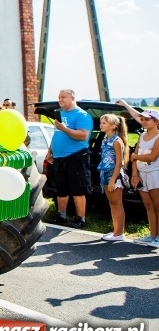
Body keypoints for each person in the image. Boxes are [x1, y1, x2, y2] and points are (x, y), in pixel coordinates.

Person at [46, 89, 93, 229]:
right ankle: (61, 215)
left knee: (78, 189)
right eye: (59, 97)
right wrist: (50, 150)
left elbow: (83, 135)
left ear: (72, 98)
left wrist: (64, 129)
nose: (60, 99)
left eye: (63, 97)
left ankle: (80, 218)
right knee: (61, 189)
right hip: (59, 158)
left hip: (76, 156)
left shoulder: (81, 115)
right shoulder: (60, 114)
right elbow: (57, 134)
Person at [116, 100, 159, 245]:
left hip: (155, 174)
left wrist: (136, 157)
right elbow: (134, 156)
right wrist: (135, 174)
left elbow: (152, 157)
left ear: (156, 121)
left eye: (147, 119)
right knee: (148, 205)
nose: (144, 121)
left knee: (157, 206)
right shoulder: (142, 136)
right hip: (141, 173)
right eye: (143, 119)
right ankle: (152, 235)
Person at [97, 114, 129, 241]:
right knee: (112, 203)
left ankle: (120, 233)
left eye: (104, 123)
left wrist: (113, 180)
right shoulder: (105, 140)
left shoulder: (117, 141)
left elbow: (119, 162)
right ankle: (115, 230)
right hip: (104, 172)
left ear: (113, 126)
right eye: (101, 122)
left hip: (113, 174)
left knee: (117, 203)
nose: (101, 125)